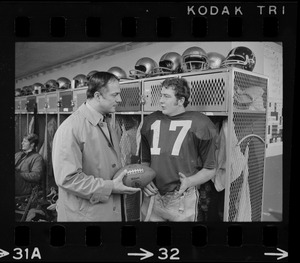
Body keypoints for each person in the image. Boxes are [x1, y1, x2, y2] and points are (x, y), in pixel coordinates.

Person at [52, 71, 140, 222]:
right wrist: (110, 186)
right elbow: (67, 179)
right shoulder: (71, 128)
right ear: (98, 96)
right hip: (85, 217)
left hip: (106, 213)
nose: (119, 100)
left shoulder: (106, 124)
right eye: (115, 95)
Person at [140, 77, 218, 221]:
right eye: (161, 95)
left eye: (166, 96)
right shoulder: (150, 121)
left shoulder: (201, 124)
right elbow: (145, 160)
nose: (161, 101)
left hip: (182, 198)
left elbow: (210, 168)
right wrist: (144, 179)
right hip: (152, 196)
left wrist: (190, 181)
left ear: (181, 100)